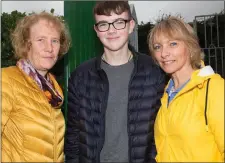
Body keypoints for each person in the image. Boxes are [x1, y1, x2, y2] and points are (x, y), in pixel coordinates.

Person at [64, 1, 165, 163]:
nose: (111, 30)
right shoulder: (81, 76)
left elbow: (162, 130)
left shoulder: (154, 71)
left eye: (119, 22)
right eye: (103, 24)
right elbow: (74, 136)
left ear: (131, 25)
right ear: (96, 30)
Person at [147, 16, 224, 162]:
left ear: (190, 46)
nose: (164, 53)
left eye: (173, 44)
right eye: (157, 47)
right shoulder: (166, 94)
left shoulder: (214, 89)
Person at [1, 12, 71, 162]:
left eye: (55, 41)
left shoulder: (54, 93)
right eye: (41, 40)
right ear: (27, 45)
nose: (49, 48)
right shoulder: (6, 80)